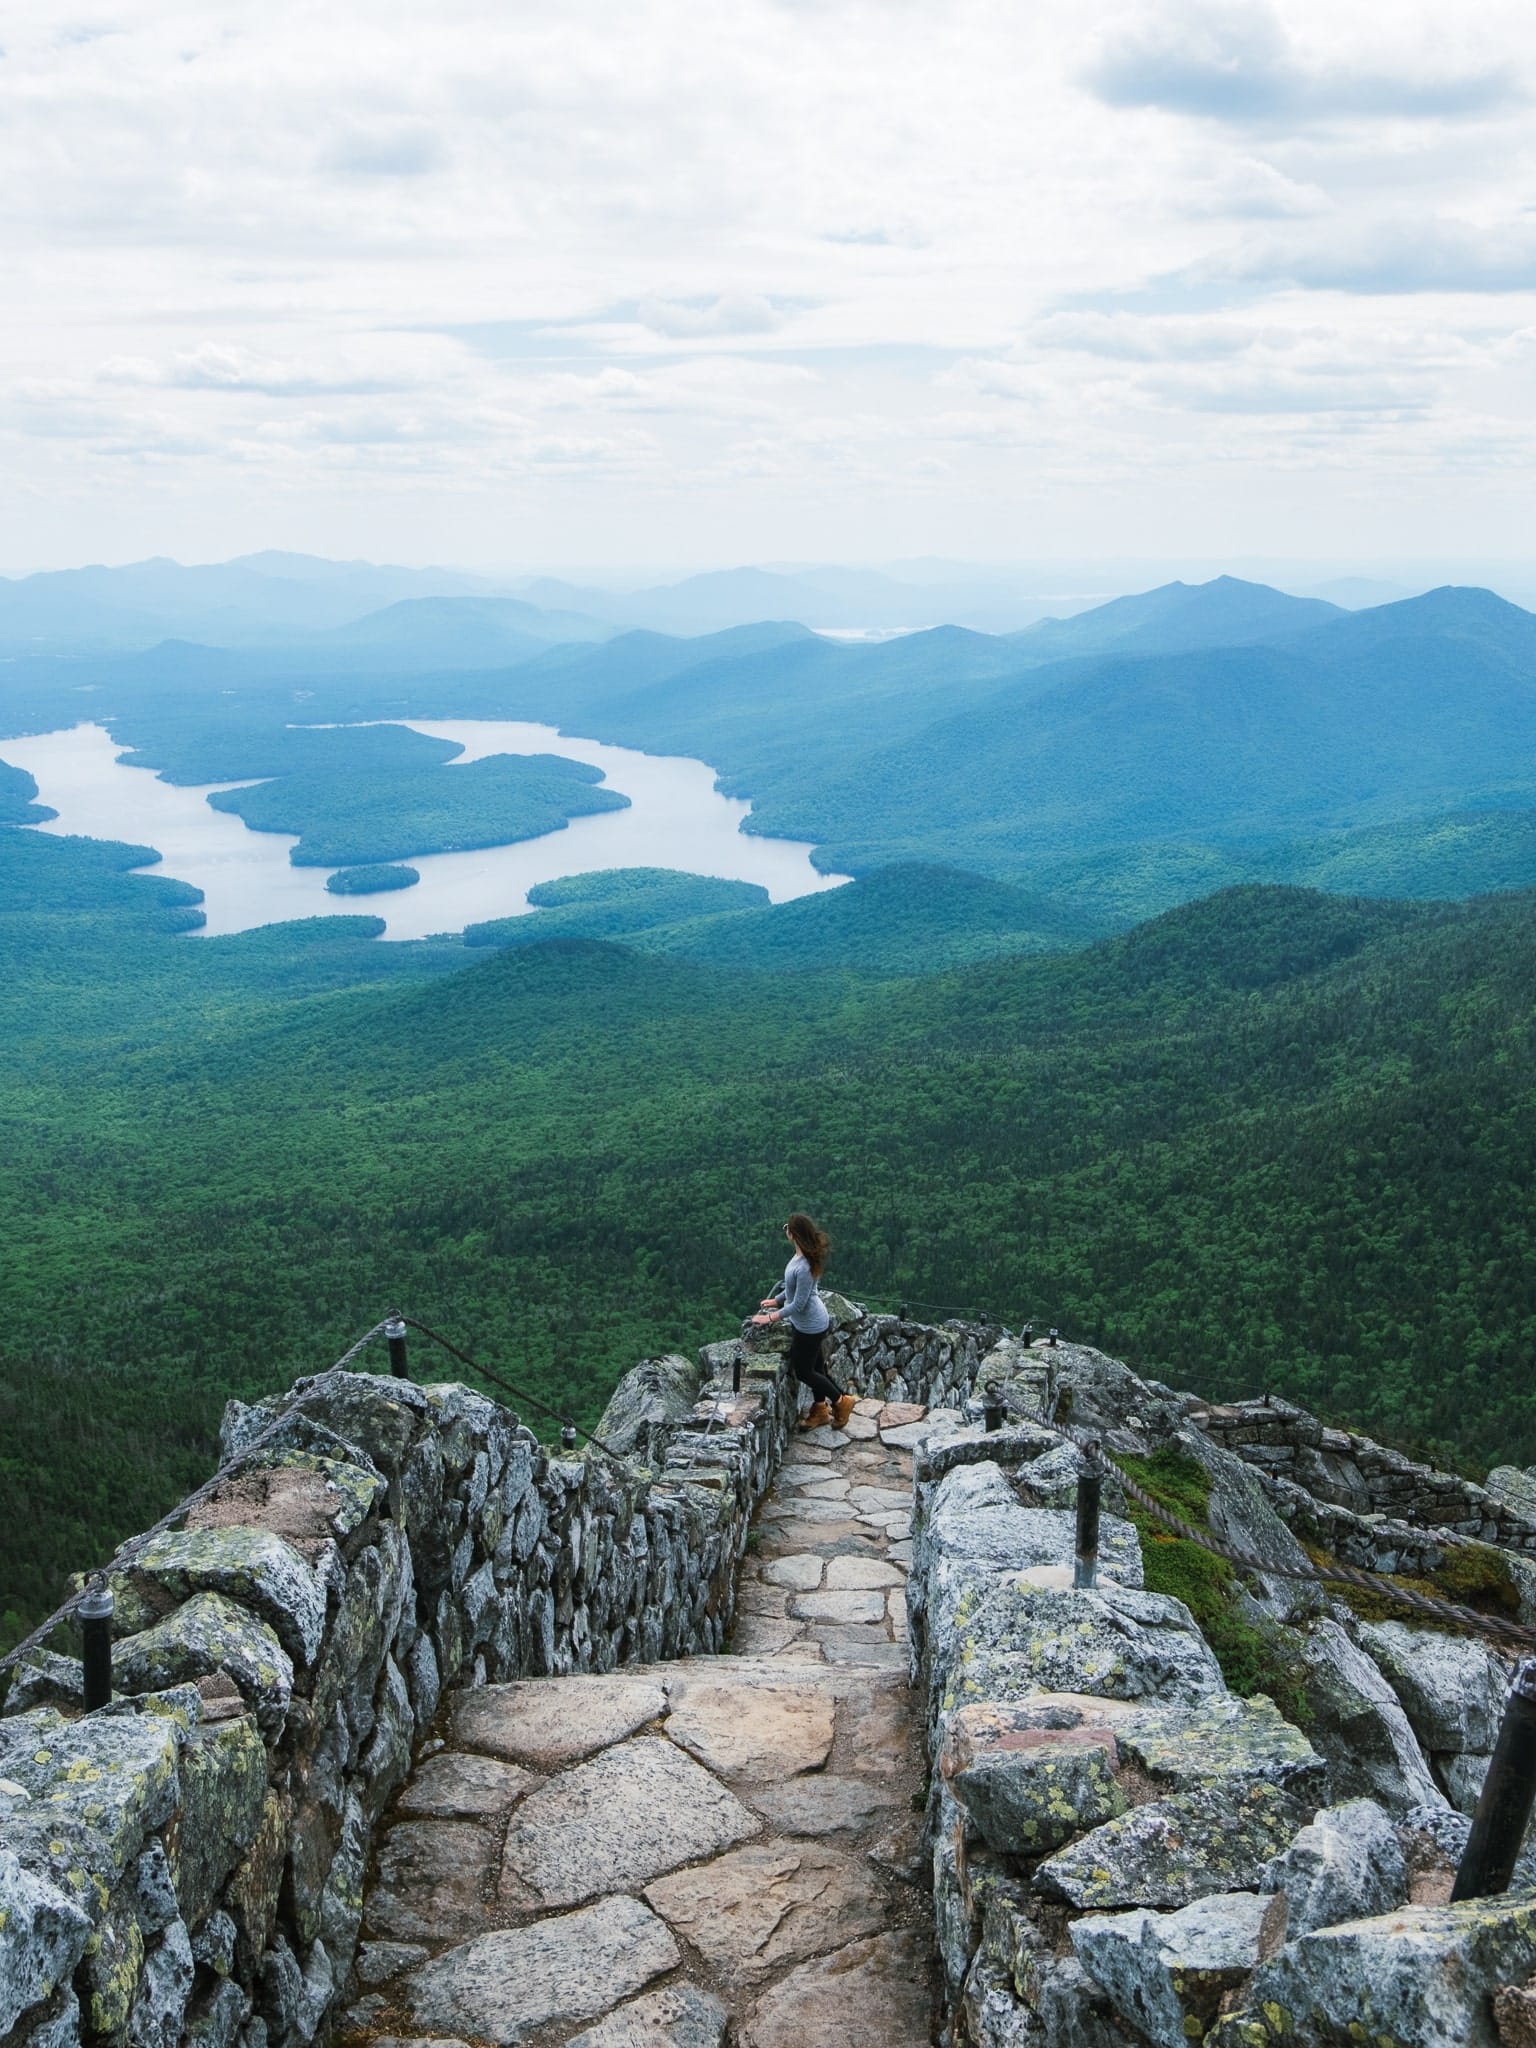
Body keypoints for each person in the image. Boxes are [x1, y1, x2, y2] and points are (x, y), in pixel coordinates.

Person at [755, 1212, 856, 1430]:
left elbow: (798, 1304)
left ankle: (842, 1401)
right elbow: (793, 1291)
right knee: (817, 1368)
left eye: (787, 1229)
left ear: (793, 1234)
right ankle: (820, 1410)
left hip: (811, 1324)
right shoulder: (802, 1258)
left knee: (804, 1371)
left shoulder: (804, 1266)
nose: (786, 1232)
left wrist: (770, 1318)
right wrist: (776, 1300)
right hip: (809, 1322)